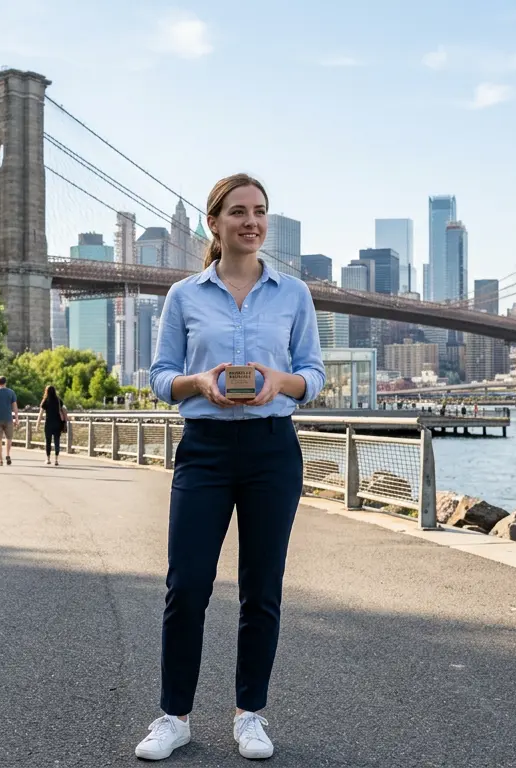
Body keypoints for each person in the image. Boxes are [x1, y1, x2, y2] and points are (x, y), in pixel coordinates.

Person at [134, 173, 324, 762]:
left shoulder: (294, 295)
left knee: (261, 589)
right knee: (186, 586)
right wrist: (199, 383)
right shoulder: (184, 296)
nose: (251, 222)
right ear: (214, 223)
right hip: (205, 449)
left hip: (272, 449)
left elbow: (312, 376)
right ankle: (174, 717)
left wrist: (278, 382)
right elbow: (161, 377)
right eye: (238, 212)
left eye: (260, 211)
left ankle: (250, 715)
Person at [36, 385, 69, 466]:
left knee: (48, 442)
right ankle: (56, 460)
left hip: (48, 424)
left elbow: (41, 414)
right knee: (57, 441)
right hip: (58, 424)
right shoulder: (58, 400)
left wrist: (38, 424)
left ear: (46, 391)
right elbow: (63, 409)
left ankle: (48, 459)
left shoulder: (45, 401)